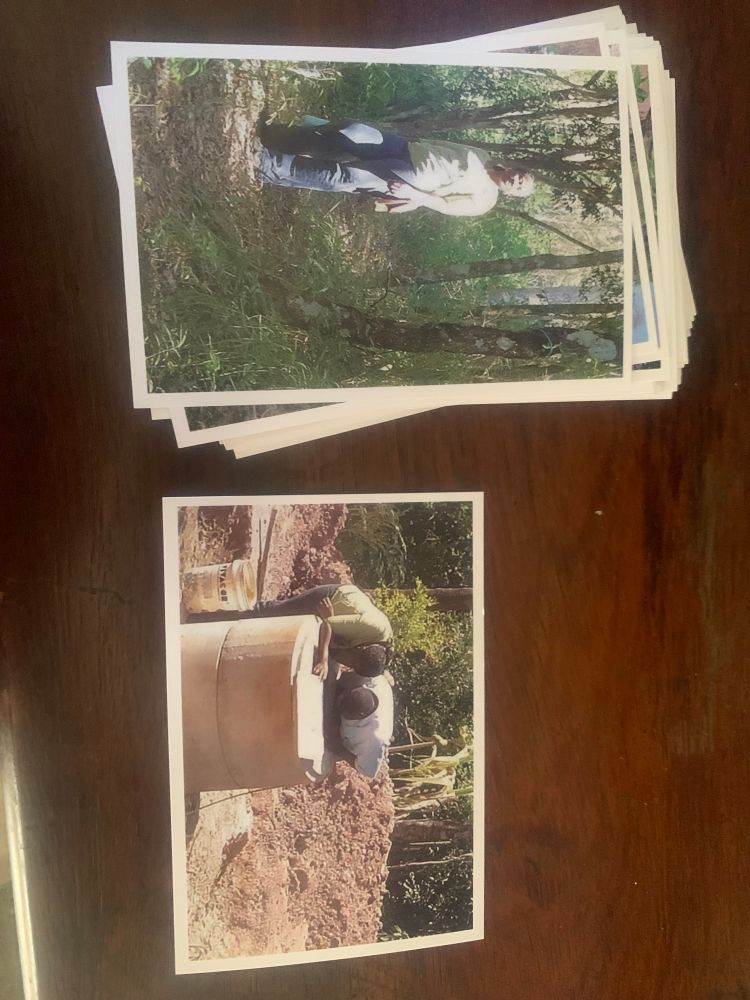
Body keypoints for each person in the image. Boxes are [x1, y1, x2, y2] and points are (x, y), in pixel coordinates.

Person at [257, 115, 535, 217]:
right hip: (404, 148)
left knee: (346, 175)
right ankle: (273, 135)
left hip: (411, 179)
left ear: (512, 194)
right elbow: (442, 145)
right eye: (520, 175)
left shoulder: (485, 200)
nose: (516, 181)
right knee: (352, 130)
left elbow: (447, 206)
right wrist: (411, 140)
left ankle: (268, 164)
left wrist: (413, 196)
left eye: (519, 187)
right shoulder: (483, 154)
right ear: (513, 167)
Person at [322, 671, 395, 779]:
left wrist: (338, 748)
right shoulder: (373, 681)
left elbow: (368, 770)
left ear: (358, 718)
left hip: (343, 742)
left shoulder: (374, 739)